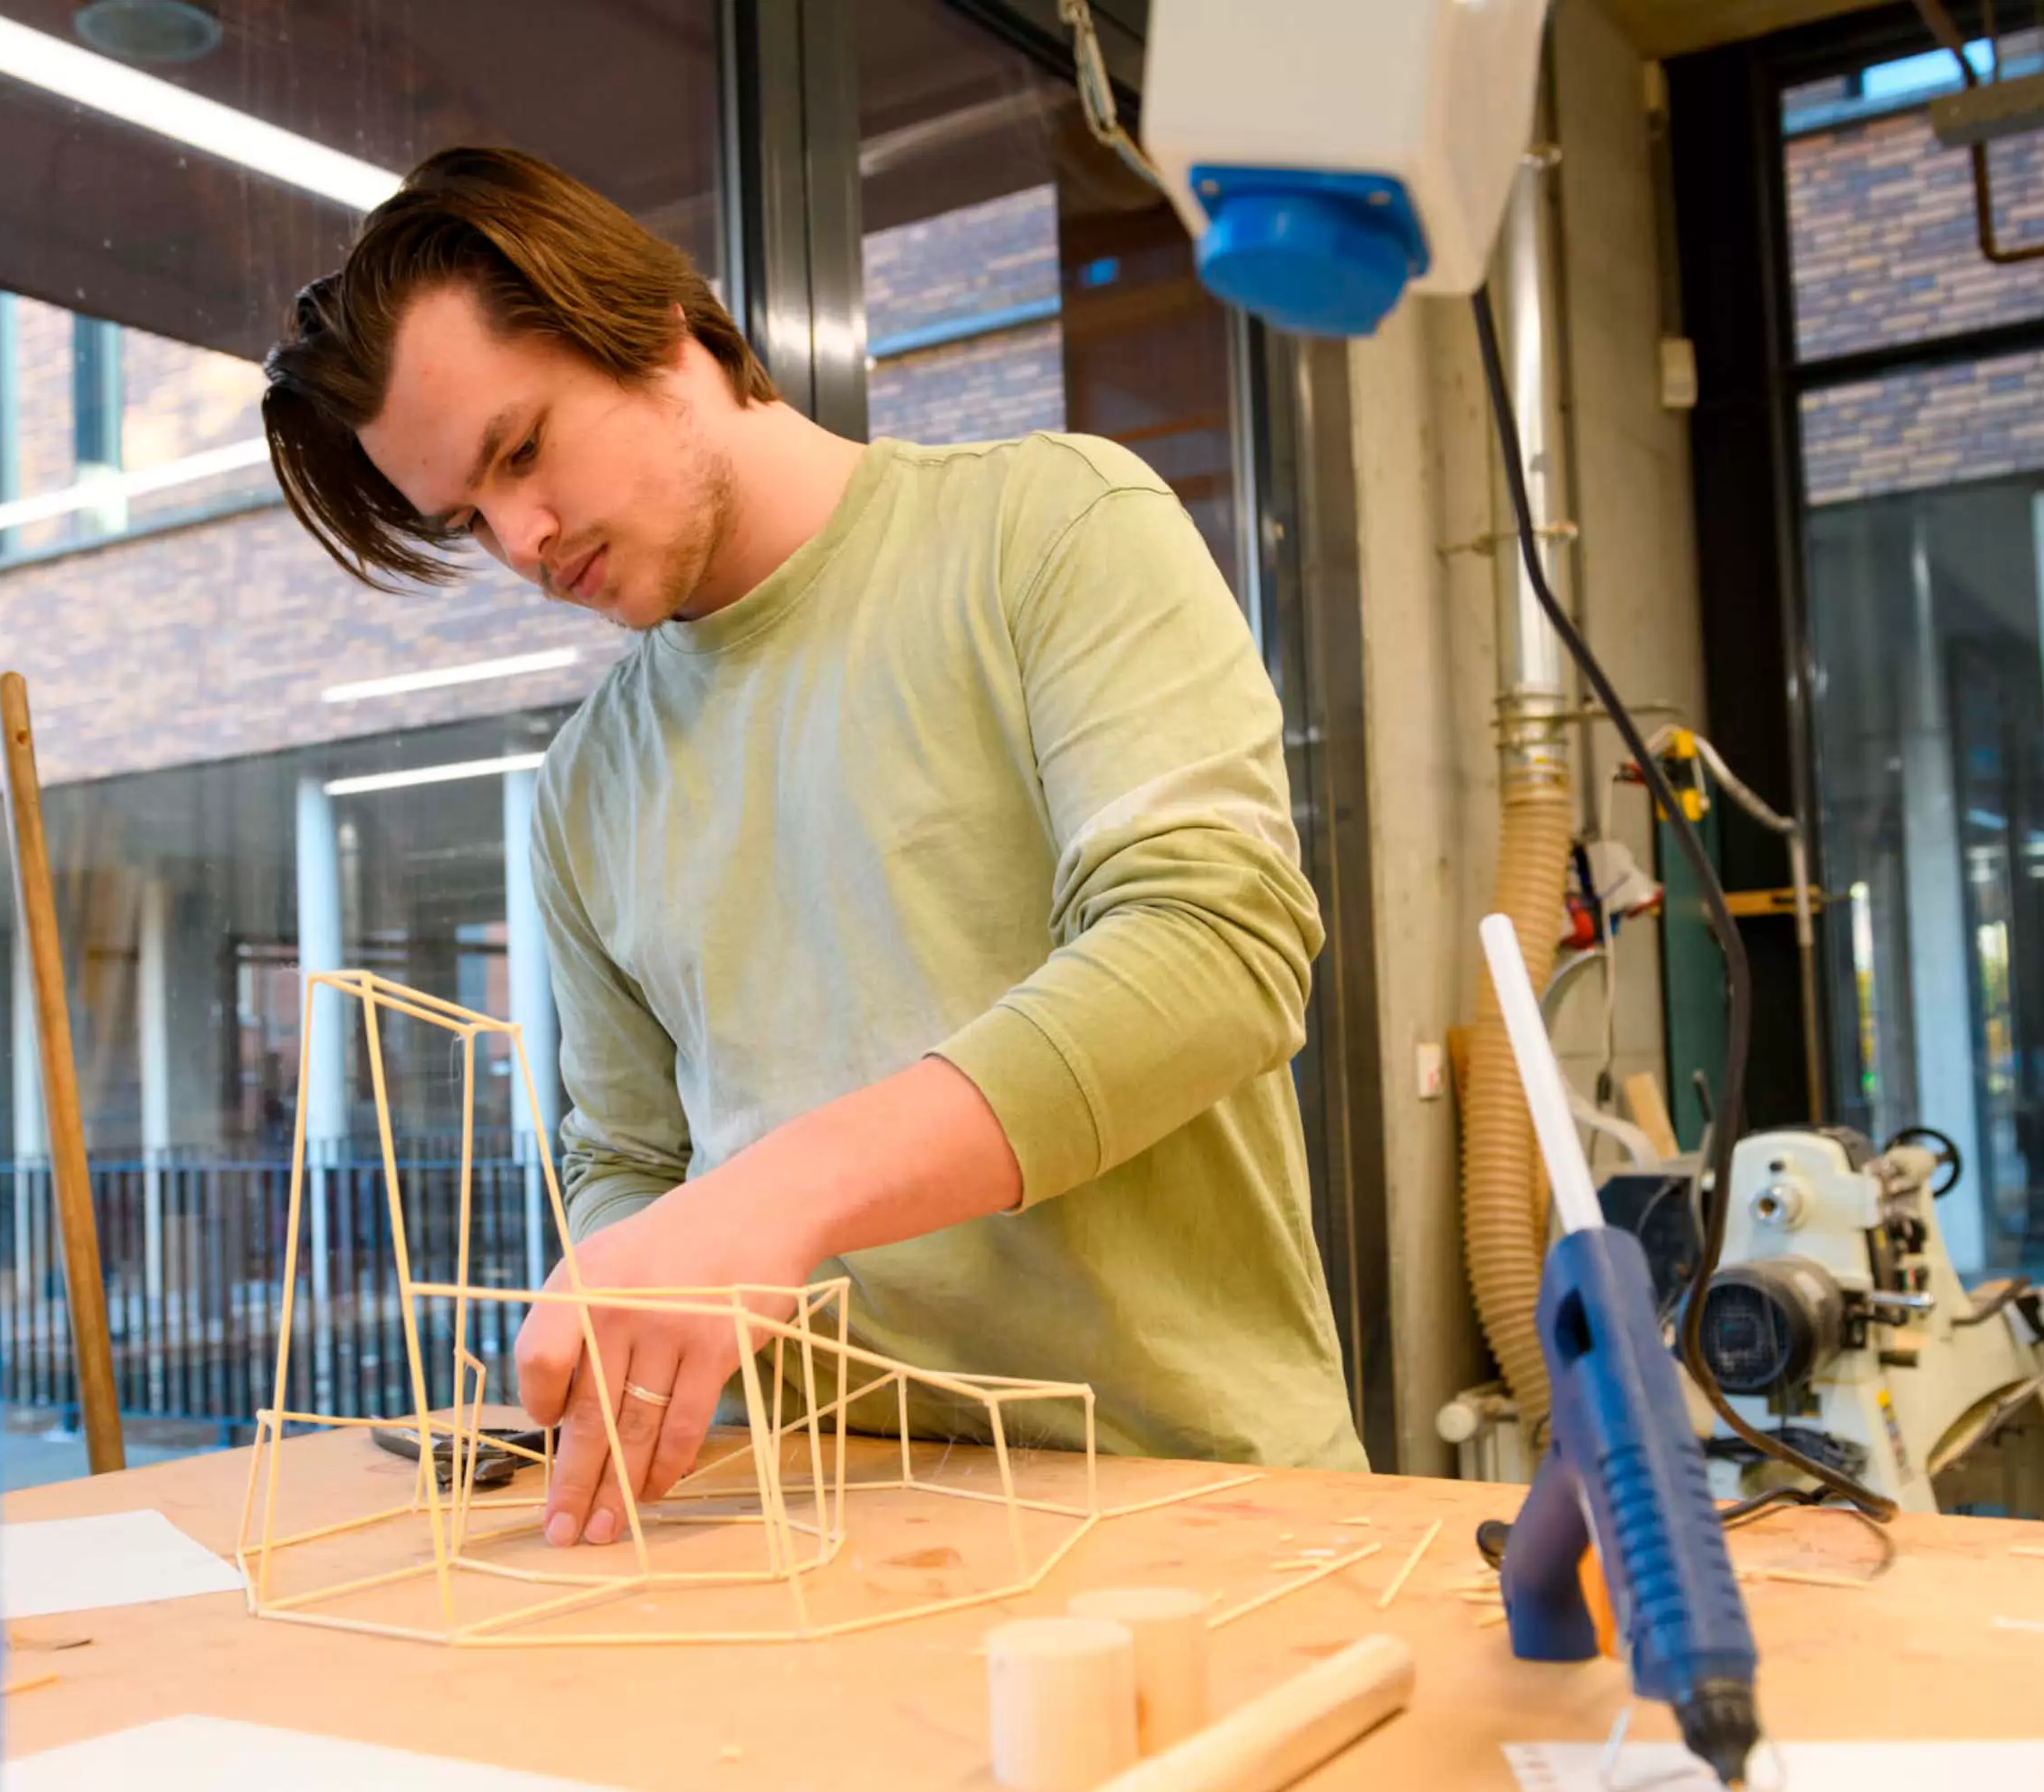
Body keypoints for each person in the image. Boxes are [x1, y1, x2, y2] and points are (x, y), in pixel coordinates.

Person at [262, 147, 1365, 1549]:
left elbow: (1212, 952)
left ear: (659, 331)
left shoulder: (1054, 530)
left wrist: (776, 1199)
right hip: (813, 1521)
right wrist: (631, 1293)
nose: (523, 541)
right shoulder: (587, 782)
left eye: (522, 449)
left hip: (1199, 1497)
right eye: (467, 519)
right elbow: (627, 1155)